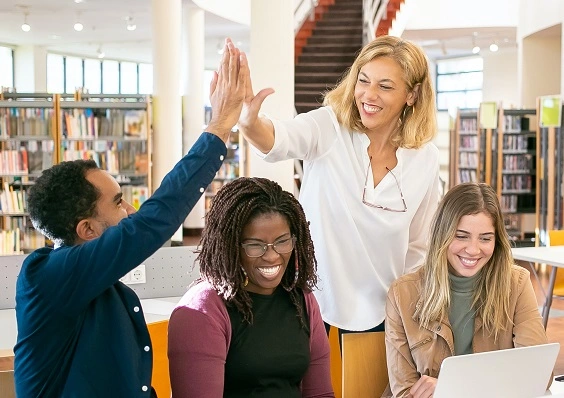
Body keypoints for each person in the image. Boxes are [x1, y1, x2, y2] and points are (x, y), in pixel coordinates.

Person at [13, 39, 247, 397]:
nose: (131, 211)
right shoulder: (45, 276)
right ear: (87, 229)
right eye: (119, 202)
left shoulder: (103, 287)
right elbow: (153, 221)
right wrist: (219, 127)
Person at [236, 35, 440, 334]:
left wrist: (409, 312)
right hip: (311, 304)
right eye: (363, 80)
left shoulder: (425, 158)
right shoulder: (329, 127)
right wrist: (250, 124)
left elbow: (419, 246)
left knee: (369, 383)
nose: (368, 95)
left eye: (385, 86)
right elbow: (280, 139)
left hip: (385, 313)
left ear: (412, 94)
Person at [168, 177, 334, 397]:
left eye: (282, 241)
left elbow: (320, 394)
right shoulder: (202, 311)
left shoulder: (301, 298)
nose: (272, 256)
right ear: (230, 246)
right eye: (256, 245)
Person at [385, 182, 549, 398]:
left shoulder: (516, 284)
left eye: (485, 238)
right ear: (442, 235)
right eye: (461, 236)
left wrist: (450, 388)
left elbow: (539, 375)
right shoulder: (402, 293)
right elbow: (404, 391)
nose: (473, 250)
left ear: (497, 240)